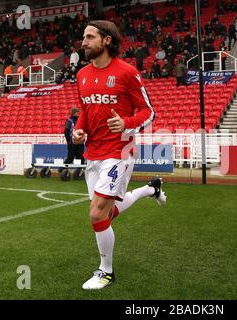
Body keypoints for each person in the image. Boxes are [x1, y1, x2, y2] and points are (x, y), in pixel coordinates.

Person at [72, 20, 166, 290]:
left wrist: (126, 123)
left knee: (96, 213)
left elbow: (148, 112)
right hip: (94, 152)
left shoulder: (127, 72)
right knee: (106, 213)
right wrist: (79, 131)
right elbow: (85, 111)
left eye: (90, 37)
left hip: (120, 150)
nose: (84, 41)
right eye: (84, 37)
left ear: (107, 41)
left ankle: (106, 271)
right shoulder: (82, 75)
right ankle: (150, 189)